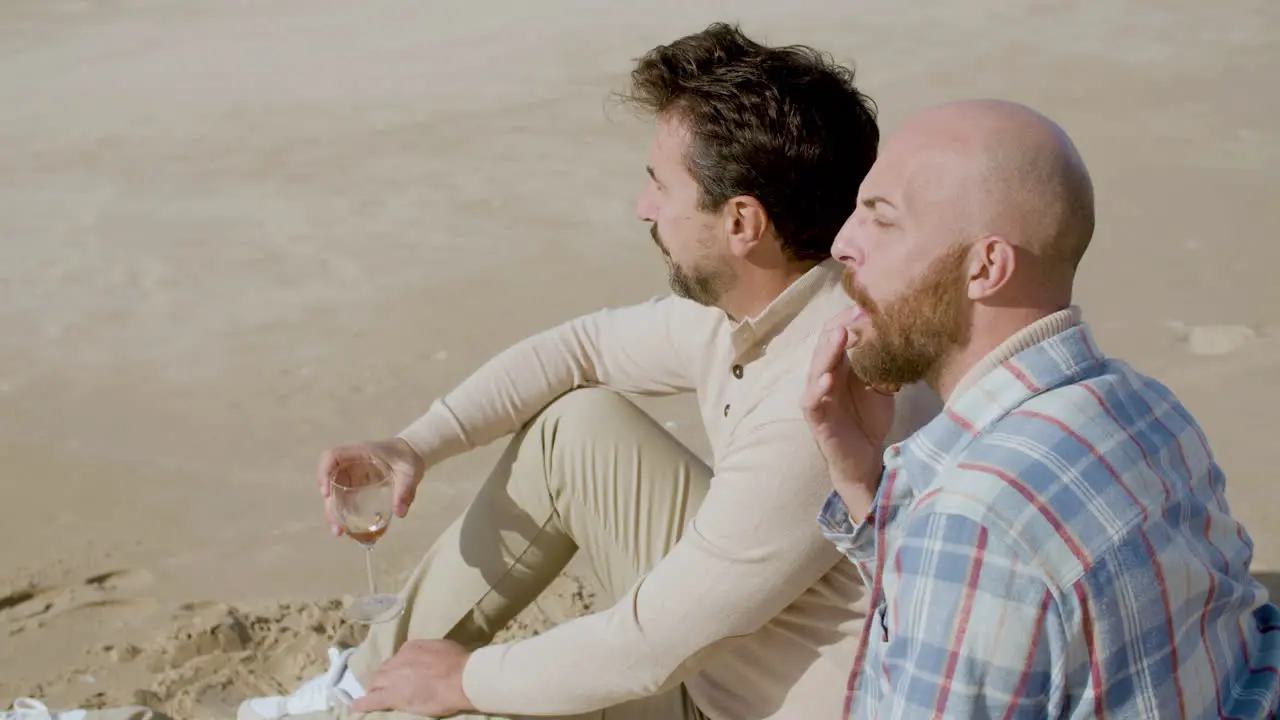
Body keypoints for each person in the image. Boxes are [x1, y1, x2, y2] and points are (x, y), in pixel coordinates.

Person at [237, 23, 939, 720]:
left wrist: (465, 680)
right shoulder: (772, 300)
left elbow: (648, 646)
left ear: (741, 223)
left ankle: (386, 702)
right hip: (721, 657)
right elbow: (582, 348)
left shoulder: (821, 395)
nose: (644, 208)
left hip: (742, 704)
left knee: (461, 703)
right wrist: (415, 445)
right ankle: (358, 691)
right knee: (579, 426)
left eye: (661, 187)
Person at [803, 97, 1280, 718]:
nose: (842, 242)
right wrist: (865, 485)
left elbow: (984, 559)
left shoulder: (974, 522)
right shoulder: (1152, 412)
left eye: (882, 220)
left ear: (986, 268)